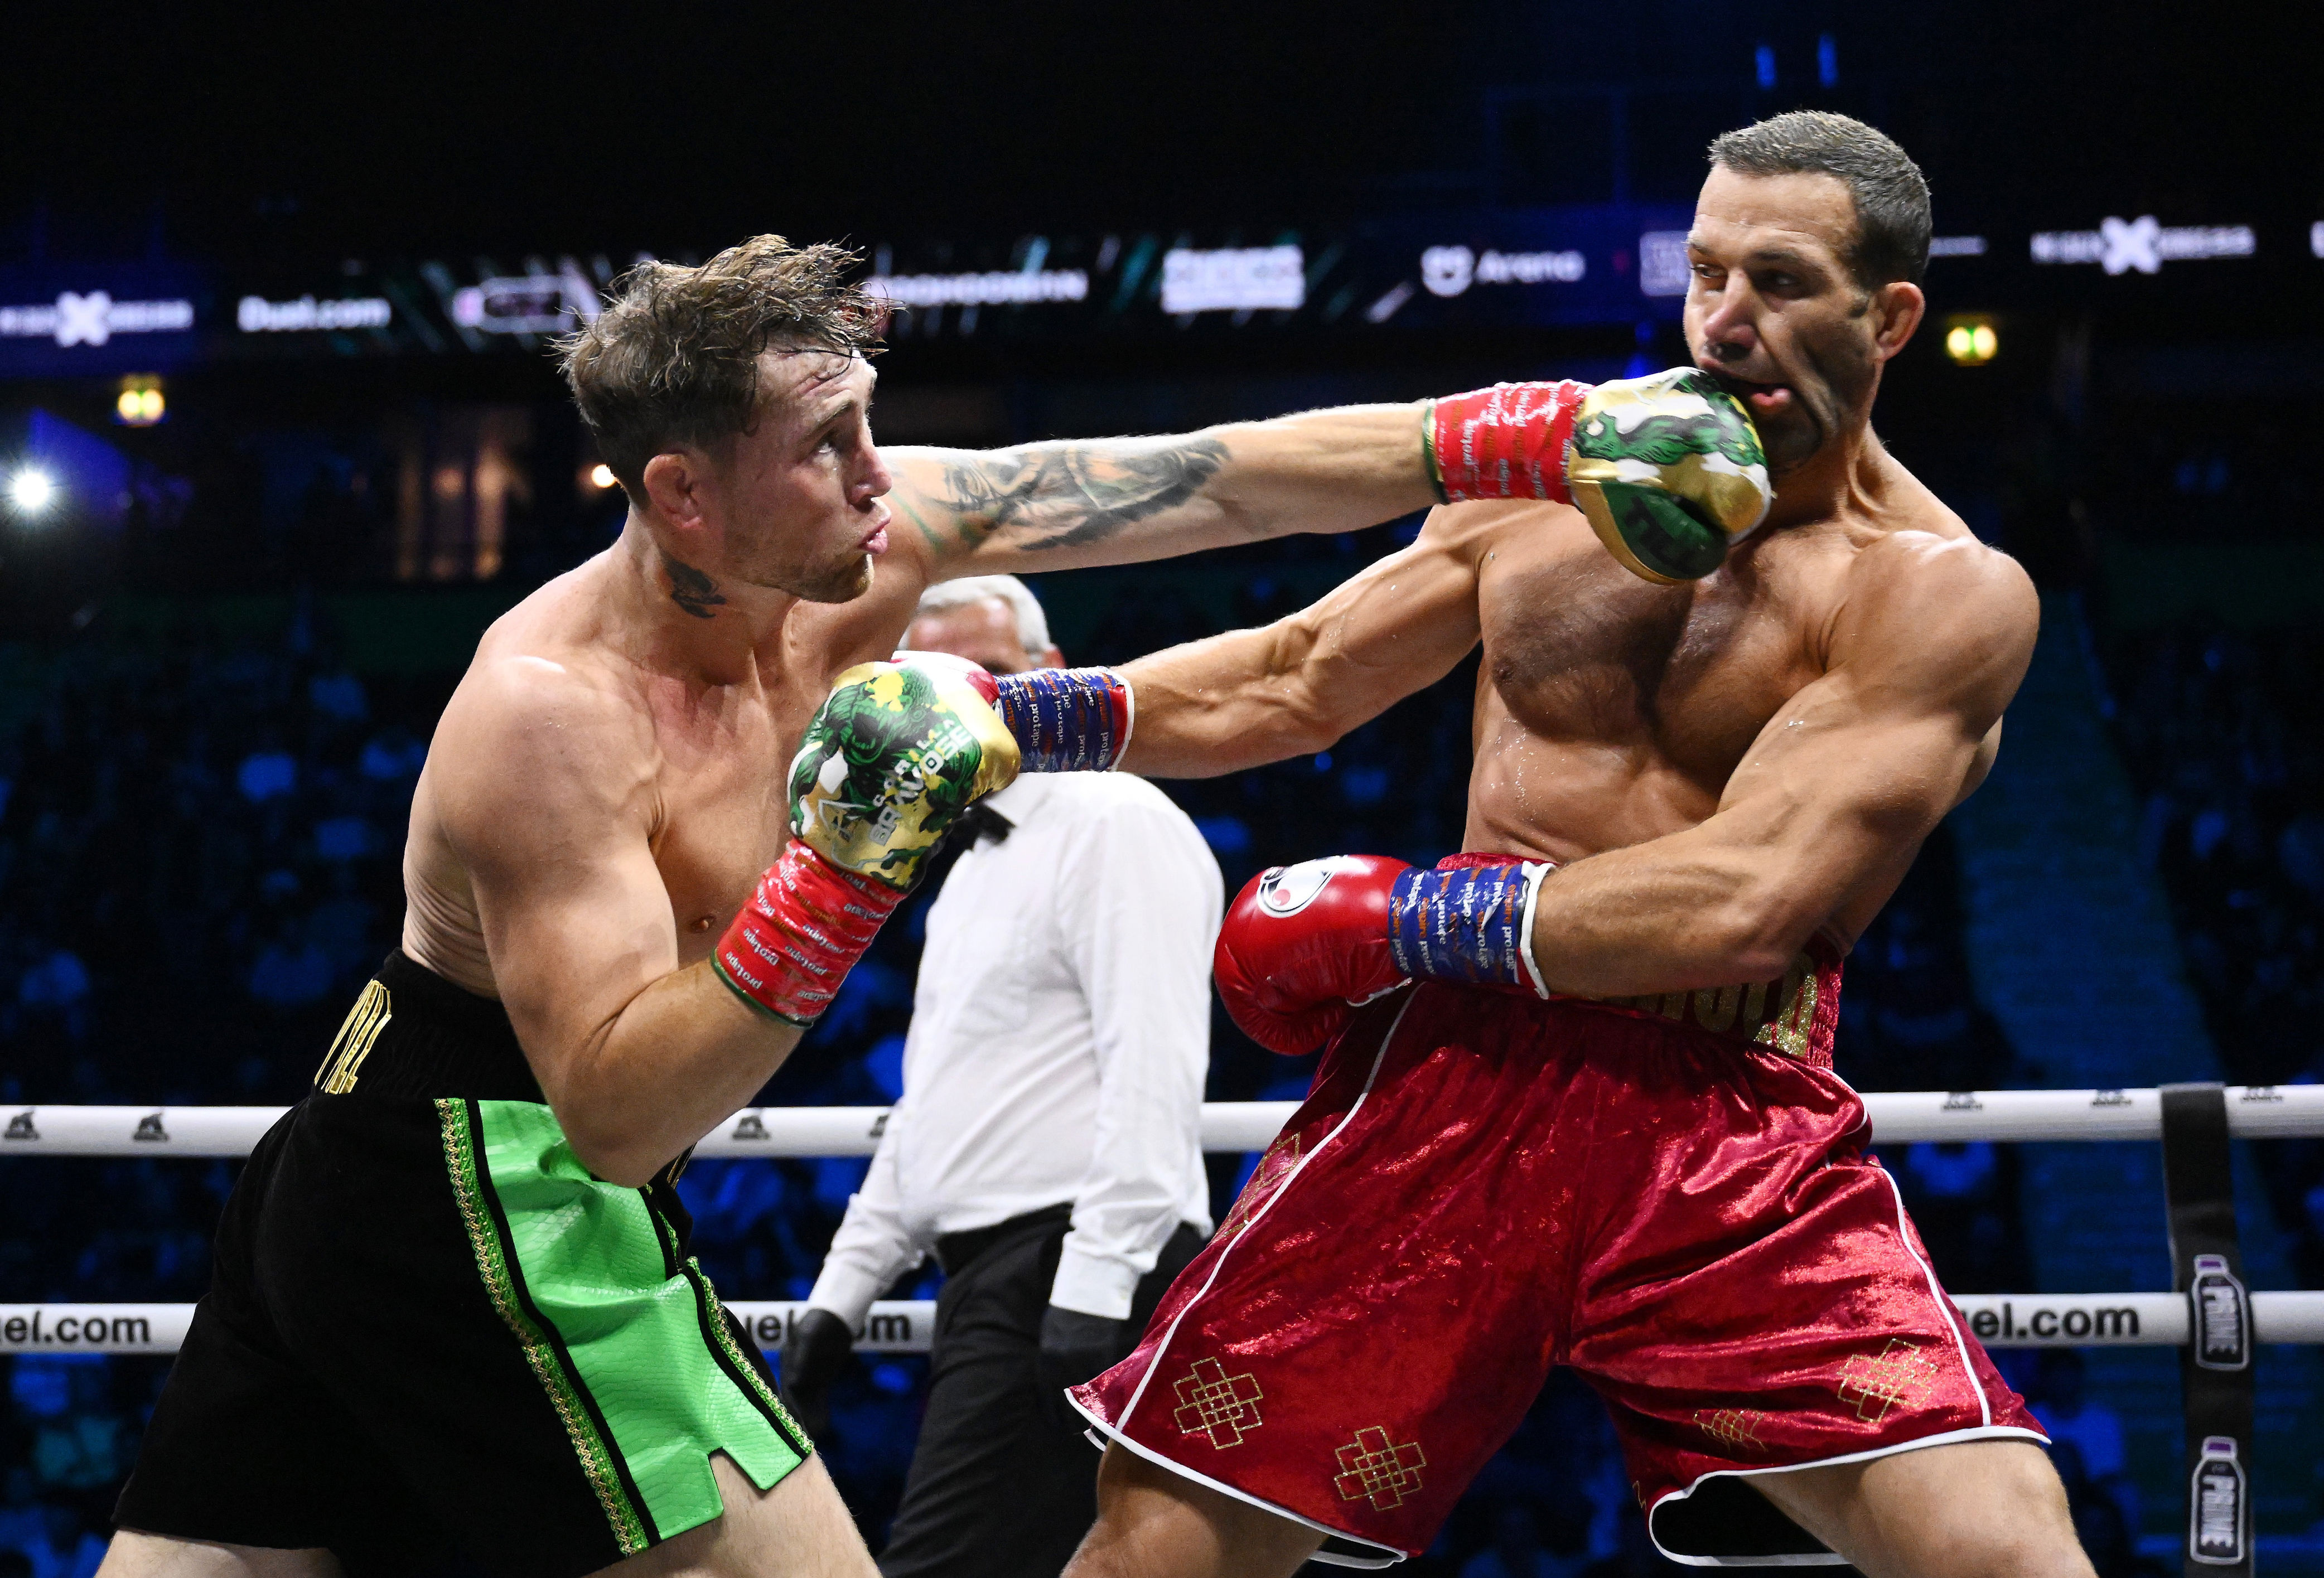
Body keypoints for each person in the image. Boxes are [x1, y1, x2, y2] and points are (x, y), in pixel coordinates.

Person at [99, 236, 1748, 1578]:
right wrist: (844, 871)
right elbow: (606, 1114)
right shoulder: (552, 712)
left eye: (869, 422)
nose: (884, 477)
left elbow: (1207, 478)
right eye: (827, 448)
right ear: (681, 495)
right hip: (486, 1175)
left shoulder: (869, 541)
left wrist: (1525, 434)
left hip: (363, 1172)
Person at [992, 113, 2086, 1577]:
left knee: (2001, 1547)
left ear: (1888, 316)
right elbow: (1292, 675)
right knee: (1160, 1546)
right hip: (1450, 1084)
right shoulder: (1552, 478)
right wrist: (1012, 724)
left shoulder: (1938, 591)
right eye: (1706, 271)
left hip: (1722, 1115)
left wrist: (1401, 916)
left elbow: (1750, 902)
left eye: (1779, 277)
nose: (1727, 316)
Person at [782, 575, 1220, 1578]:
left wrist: (1096, 1285)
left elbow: (1155, 1066)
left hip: (1073, 1261)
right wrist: (840, 1294)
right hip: (992, 1273)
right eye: (931, 687)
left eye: (991, 679)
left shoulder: (1112, 819)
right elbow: (936, 1101)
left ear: (1052, 678)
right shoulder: (964, 865)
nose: (962, 711)